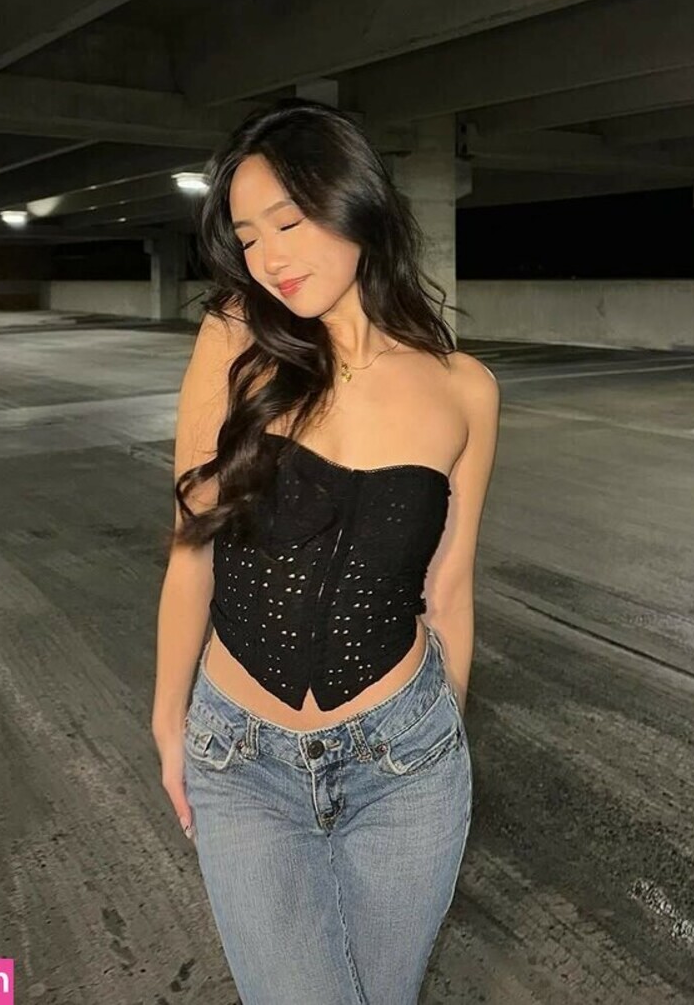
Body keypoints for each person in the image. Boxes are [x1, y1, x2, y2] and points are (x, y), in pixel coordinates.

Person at [151, 98, 500, 1005]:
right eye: (248, 237)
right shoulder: (236, 341)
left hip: (407, 765)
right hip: (243, 761)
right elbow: (191, 549)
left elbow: (449, 587)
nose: (270, 257)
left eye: (289, 221)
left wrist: (442, 738)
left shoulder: (465, 389)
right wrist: (167, 721)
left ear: (354, 204)